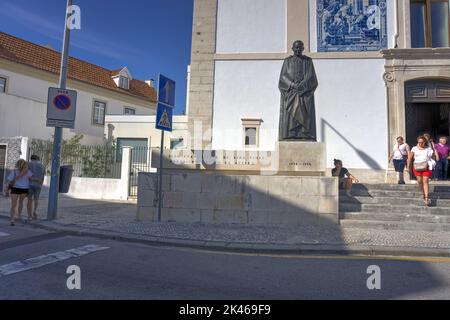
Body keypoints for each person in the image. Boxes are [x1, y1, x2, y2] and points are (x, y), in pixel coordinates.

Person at [278, 40, 318, 141]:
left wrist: (303, 86)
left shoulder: (308, 61)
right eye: (296, 47)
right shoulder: (287, 61)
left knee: (304, 111)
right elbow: (283, 77)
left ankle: (304, 134)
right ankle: (291, 134)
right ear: (292, 48)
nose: (298, 49)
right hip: (291, 92)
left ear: (303, 49)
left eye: (300, 47)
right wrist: (292, 85)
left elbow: (311, 77)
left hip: (304, 92)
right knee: (291, 114)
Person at [406, 136, 435, 206]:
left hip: (426, 167)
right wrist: (408, 167)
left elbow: (432, 157)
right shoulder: (414, 148)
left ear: (425, 142)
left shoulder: (428, 149)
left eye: (421, 142)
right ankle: (422, 192)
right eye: (419, 142)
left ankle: (426, 197)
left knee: (425, 181)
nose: (420, 143)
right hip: (417, 167)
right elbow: (409, 158)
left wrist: (433, 156)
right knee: (419, 181)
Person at [3, 159, 33, 226]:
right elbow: (31, 179)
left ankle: (13, 219)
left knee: (14, 205)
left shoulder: (15, 171)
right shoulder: (27, 171)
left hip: (16, 189)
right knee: (20, 203)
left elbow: (9, 181)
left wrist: (7, 189)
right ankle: (18, 216)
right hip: (23, 189)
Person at [27, 155, 45, 219]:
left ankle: (30, 215)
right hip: (38, 185)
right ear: (38, 159)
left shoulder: (28, 164)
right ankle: (35, 210)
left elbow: (27, 175)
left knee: (29, 199)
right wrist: (40, 184)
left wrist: (33, 179)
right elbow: (43, 177)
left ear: (31, 158)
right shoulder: (42, 165)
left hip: (30, 184)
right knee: (36, 198)